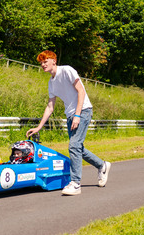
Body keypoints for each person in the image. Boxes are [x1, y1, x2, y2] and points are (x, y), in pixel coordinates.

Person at [26, 50, 111, 195]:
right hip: (70, 115)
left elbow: (81, 91)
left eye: (45, 61)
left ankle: (75, 183)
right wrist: (39, 127)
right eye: (41, 62)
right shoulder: (51, 83)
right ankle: (102, 165)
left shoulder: (67, 70)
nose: (42, 64)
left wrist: (78, 114)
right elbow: (50, 106)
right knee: (78, 148)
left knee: (74, 146)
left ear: (54, 60)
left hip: (83, 110)